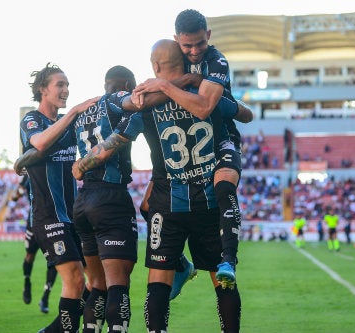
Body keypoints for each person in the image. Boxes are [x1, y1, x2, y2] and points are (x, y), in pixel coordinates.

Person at [73, 39, 242, 333]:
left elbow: (112, 145)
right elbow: (244, 113)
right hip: (208, 200)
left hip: (169, 203)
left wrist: (82, 164)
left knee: (158, 283)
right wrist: (196, 81)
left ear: (155, 66)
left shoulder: (146, 105)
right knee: (222, 281)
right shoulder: (207, 95)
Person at [134, 8, 252, 288]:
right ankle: (181, 266)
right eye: (187, 45)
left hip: (220, 138)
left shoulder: (216, 60)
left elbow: (204, 108)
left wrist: (167, 84)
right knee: (147, 207)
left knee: (223, 188)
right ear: (177, 41)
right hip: (178, 151)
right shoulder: (178, 61)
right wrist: (182, 81)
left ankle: (227, 261)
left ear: (208, 36)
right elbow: (147, 99)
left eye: (200, 42)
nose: (195, 50)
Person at [15, 63, 99, 333]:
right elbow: (39, 143)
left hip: (74, 215)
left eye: (67, 85)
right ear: (43, 89)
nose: (66, 90)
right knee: (74, 281)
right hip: (48, 216)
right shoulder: (32, 120)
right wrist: (74, 111)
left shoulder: (70, 124)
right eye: (59, 85)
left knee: (98, 285)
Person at [71, 65, 139, 333]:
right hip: (110, 198)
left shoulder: (83, 112)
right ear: (124, 83)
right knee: (117, 282)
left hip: (83, 200)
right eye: (131, 85)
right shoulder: (116, 99)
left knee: (96, 285)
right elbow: (134, 101)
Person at [12, 174, 57, 313]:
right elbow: (16, 195)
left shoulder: (55, 168)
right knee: (30, 255)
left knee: (56, 260)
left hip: (54, 220)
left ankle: (45, 297)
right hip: (34, 221)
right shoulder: (29, 172)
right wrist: (18, 192)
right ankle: (27, 281)